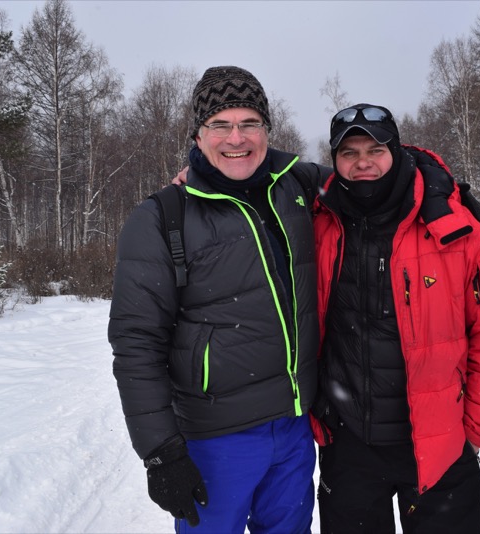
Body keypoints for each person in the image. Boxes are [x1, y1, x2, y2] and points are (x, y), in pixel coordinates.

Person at [108, 66, 330, 534]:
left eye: (250, 123)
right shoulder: (161, 217)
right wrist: (161, 452)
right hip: (216, 438)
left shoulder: (296, 185)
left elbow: (368, 174)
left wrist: (433, 179)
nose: (237, 138)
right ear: (198, 133)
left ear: (267, 129)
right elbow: (136, 343)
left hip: (293, 428)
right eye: (220, 125)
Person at [310, 103, 480, 533]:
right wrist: (197, 176)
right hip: (349, 447)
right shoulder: (319, 220)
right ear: (334, 160)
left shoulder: (454, 225)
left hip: (440, 446)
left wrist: (474, 428)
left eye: (374, 149)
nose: (362, 163)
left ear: (395, 150)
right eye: (349, 152)